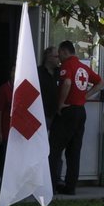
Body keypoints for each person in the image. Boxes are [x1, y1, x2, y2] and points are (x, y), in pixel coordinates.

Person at [55, 40, 103, 195]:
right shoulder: (83, 67)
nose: (58, 57)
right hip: (81, 111)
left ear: (64, 51)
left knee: (55, 148)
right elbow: (100, 82)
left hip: (68, 110)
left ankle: (51, 183)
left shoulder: (67, 65)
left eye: (59, 54)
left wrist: (61, 103)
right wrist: (85, 96)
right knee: (74, 151)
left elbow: (67, 82)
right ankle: (71, 187)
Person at [39, 46, 63, 192]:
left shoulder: (60, 73)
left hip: (57, 116)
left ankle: (55, 178)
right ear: (48, 57)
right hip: (42, 115)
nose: (58, 60)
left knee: (56, 149)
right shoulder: (38, 72)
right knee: (41, 147)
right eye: (56, 57)